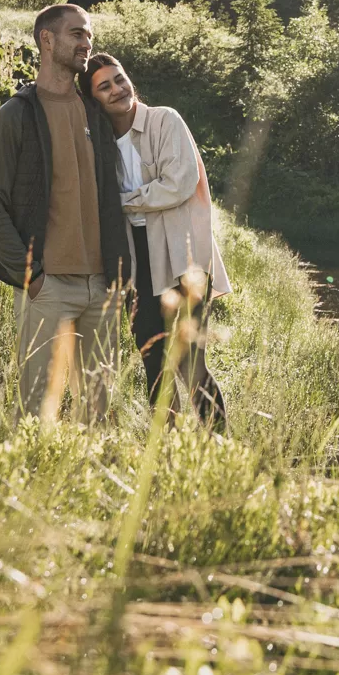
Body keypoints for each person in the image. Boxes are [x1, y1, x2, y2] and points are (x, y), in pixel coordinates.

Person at [0, 3, 128, 421]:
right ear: (47, 39)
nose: (87, 42)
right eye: (77, 34)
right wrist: (33, 277)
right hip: (47, 289)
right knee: (34, 412)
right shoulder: (15, 116)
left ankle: (88, 486)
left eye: (89, 34)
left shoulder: (96, 114)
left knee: (97, 413)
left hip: (101, 289)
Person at [80, 53, 229, 424]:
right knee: (153, 359)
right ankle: (167, 449)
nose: (117, 89)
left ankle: (218, 444)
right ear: (93, 98)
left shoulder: (165, 119)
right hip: (137, 257)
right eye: (104, 86)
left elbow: (178, 183)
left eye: (120, 79)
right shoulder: (99, 142)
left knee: (190, 362)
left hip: (182, 256)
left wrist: (123, 203)